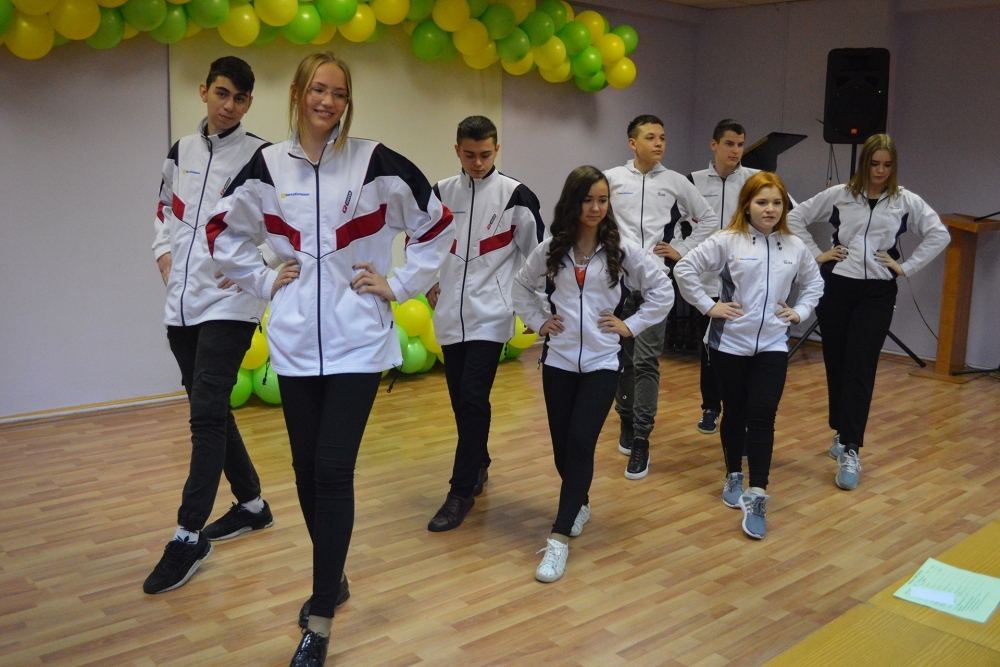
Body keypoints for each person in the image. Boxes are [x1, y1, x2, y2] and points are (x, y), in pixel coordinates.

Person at [207, 52, 454, 667]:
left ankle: (320, 616)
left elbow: (437, 224)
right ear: (297, 93)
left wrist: (399, 284)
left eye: (339, 93)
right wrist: (263, 282)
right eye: (318, 89)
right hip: (294, 345)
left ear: (348, 102)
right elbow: (221, 232)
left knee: (333, 470)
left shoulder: (376, 163)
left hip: (358, 344)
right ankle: (333, 574)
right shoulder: (266, 166)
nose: (327, 101)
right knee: (303, 468)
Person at [144, 56, 275, 596]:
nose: (229, 106)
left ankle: (187, 534)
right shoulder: (182, 150)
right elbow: (164, 211)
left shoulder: (263, 157)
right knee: (212, 407)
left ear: (249, 103)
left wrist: (256, 269)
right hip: (182, 304)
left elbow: (286, 229)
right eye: (222, 93)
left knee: (204, 416)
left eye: (240, 98)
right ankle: (252, 505)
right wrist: (164, 257)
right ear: (204, 91)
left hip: (232, 304)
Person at [512, 166, 674, 582]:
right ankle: (579, 503)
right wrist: (539, 320)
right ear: (573, 202)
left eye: (602, 200)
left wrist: (630, 326)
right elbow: (521, 287)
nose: (596, 208)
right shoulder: (552, 249)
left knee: (582, 443)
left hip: (602, 363)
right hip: (559, 362)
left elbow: (662, 291)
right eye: (588, 200)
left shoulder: (623, 250)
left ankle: (558, 539)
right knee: (562, 451)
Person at [787, 134, 949, 491]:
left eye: (887, 165)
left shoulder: (904, 200)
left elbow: (939, 235)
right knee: (837, 362)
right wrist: (816, 255)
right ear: (864, 164)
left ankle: (851, 447)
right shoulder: (841, 195)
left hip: (876, 292)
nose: (880, 171)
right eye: (874, 164)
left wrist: (906, 266)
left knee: (860, 367)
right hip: (836, 287)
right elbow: (795, 217)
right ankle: (841, 429)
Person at [674, 172, 824, 539]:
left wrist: (800, 311)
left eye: (776, 203)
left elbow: (815, 283)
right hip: (729, 343)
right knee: (735, 411)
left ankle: (757, 493)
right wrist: (710, 306)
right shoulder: (727, 240)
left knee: (763, 413)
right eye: (762, 202)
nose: (770, 209)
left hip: (773, 344)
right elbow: (684, 268)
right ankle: (733, 474)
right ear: (747, 205)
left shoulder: (794, 246)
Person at [423, 116, 544, 533]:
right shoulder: (440, 193)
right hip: (448, 316)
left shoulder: (515, 196)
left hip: (491, 315)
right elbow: (421, 242)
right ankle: (479, 461)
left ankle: (460, 492)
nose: (478, 163)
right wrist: (428, 282)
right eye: (470, 154)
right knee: (462, 401)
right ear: (457, 150)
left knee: (474, 398)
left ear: (497, 150)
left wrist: (536, 310)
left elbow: (538, 257)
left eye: (486, 154)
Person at [603, 115, 719, 480]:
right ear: (632, 143)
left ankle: (641, 437)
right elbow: (591, 219)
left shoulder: (675, 181)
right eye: (651, 137)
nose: (659, 143)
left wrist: (680, 250)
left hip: (656, 285)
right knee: (622, 361)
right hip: (617, 284)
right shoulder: (611, 179)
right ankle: (625, 419)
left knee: (647, 361)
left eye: (663, 138)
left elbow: (709, 219)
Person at [685, 119, 758, 435]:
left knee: (742, 350)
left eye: (740, 144)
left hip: (744, 282)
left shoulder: (755, 180)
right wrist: (680, 251)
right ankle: (711, 407)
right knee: (710, 349)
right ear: (714, 145)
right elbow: (674, 221)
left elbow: (789, 214)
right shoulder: (693, 181)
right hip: (705, 281)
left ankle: (741, 411)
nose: (736, 150)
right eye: (729, 144)